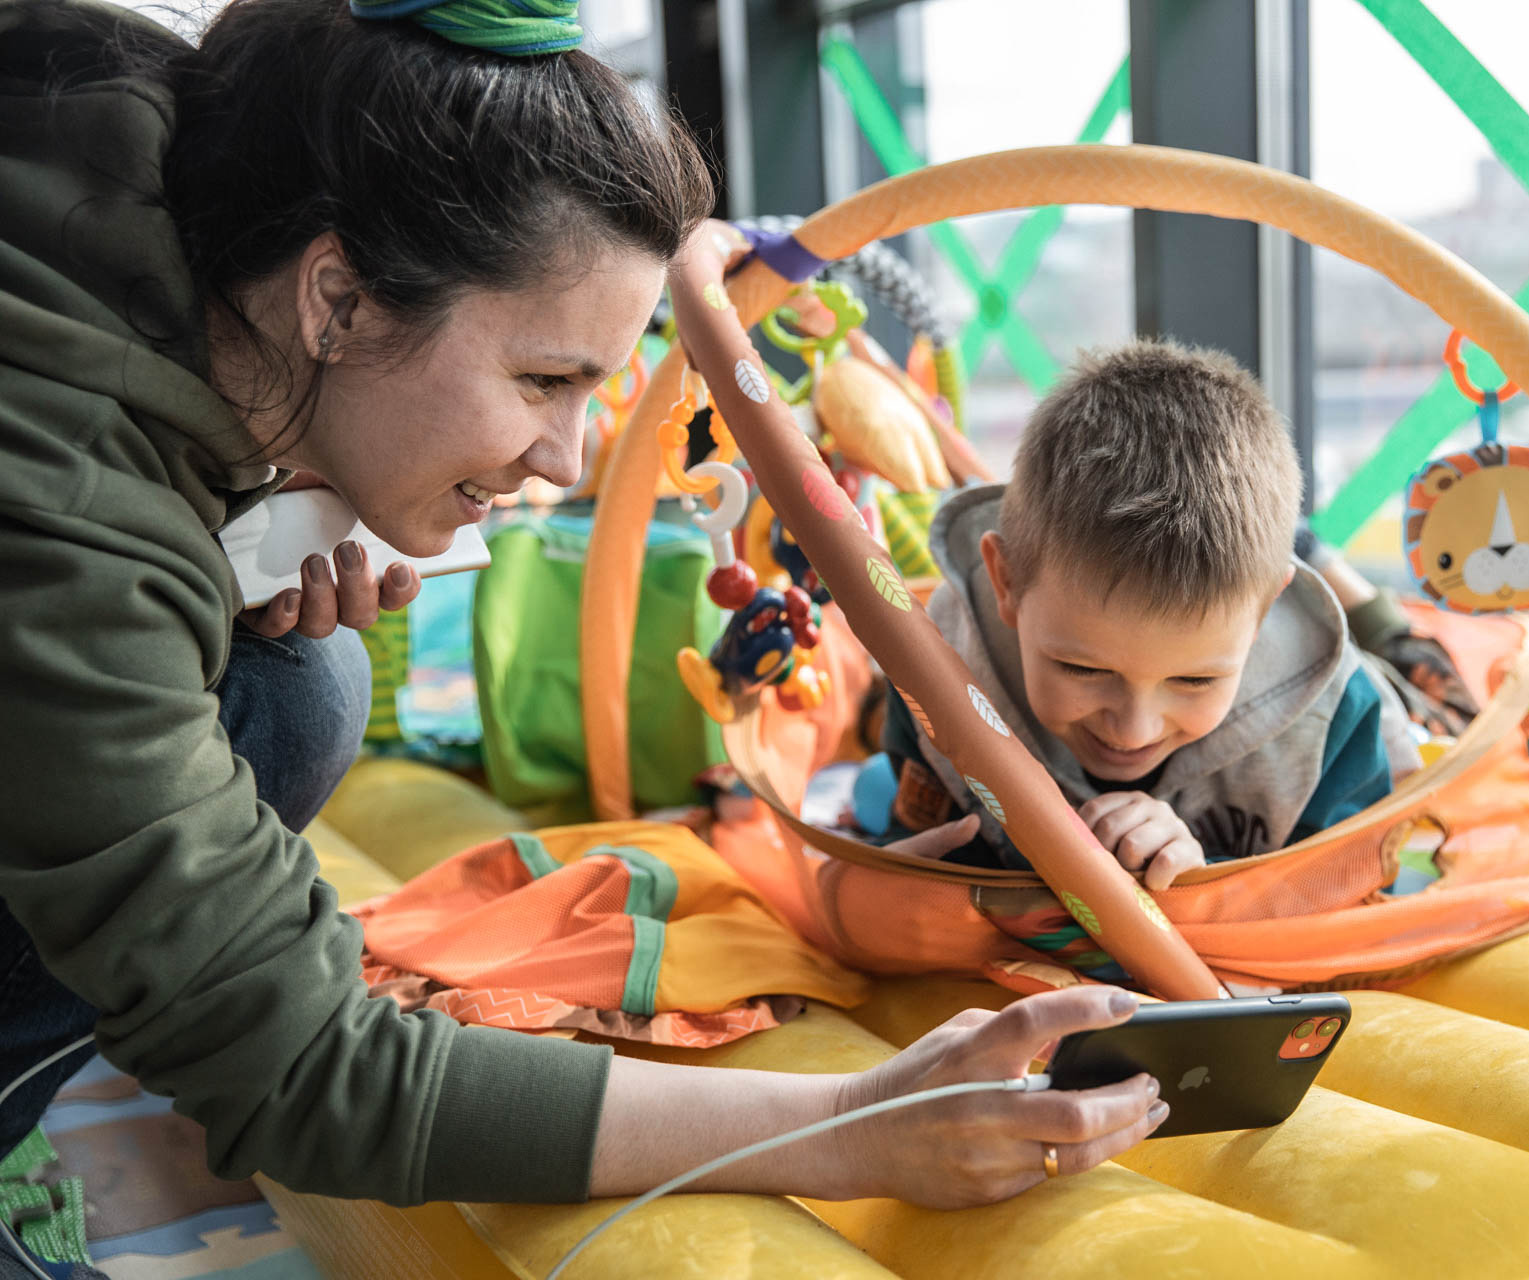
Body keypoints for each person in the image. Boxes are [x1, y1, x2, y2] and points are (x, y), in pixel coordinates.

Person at [0, 0, 1163, 1264]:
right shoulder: (66, 513)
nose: (560, 459)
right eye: (541, 379)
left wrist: (232, 556)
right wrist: (850, 1118)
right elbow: (309, 1069)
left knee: (298, 677)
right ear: (335, 297)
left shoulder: (126, 163)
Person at [882, 340, 1426, 886]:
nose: (1131, 730)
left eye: (1195, 678)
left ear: (1263, 616)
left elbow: (1350, 895)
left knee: (1428, 678)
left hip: (1340, 669)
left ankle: (1352, 594)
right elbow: (915, 854)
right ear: (1005, 582)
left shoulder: (1335, 720)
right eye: (1083, 669)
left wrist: (1200, 882)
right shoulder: (933, 674)